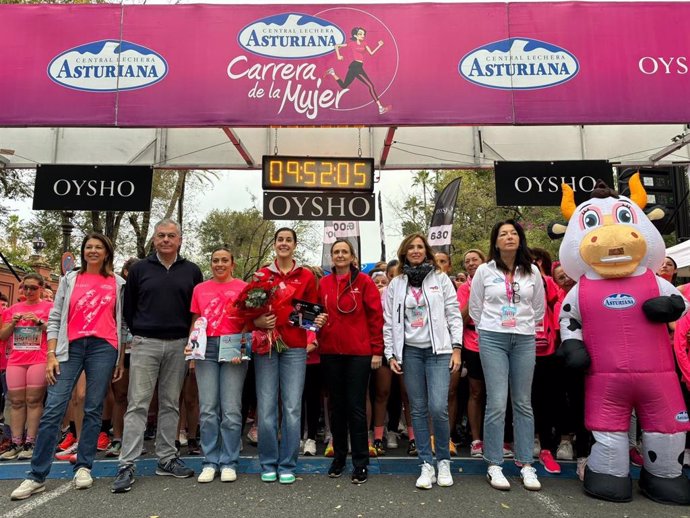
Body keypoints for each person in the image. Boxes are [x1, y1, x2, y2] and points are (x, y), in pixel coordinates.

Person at [10, 233, 125, 500]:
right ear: (83, 251)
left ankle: (84, 466)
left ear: (107, 252)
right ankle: (36, 475)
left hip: (103, 347)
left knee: (93, 407)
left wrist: (119, 358)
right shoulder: (69, 279)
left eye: (98, 247)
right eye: (88, 247)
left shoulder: (118, 283)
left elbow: (121, 322)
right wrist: (51, 353)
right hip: (69, 347)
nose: (93, 251)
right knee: (54, 408)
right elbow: (55, 317)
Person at [111, 219, 202, 493]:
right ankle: (127, 464)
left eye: (171, 236)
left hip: (178, 345)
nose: (165, 240)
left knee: (170, 404)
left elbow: (196, 310)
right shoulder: (139, 269)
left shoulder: (192, 271)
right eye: (161, 235)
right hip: (145, 343)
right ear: (154, 240)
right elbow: (128, 309)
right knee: (138, 404)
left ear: (179, 240)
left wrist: (191, 344)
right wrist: (139, 335)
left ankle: (166, 458)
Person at [469, 219, 545, 491]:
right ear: (496, 241)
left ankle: (526, 464)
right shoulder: (484, 271)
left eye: (514, 233)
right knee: (497, 401)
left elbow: (538, 308)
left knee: (523, 402)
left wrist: (521, 324)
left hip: (524, 337)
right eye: (503, 234)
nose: (509, 237)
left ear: (520, 239)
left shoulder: (532, 271)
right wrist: (493, 326)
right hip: (492, 337)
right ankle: (494, 463)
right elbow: (475, 307)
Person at [384, 234, 463, 489]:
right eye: (411, 248)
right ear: (404, 253)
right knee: (416, 409)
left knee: (438, 407)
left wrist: (456, 348)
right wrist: (391, 353)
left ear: (426, 251)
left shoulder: (440, 279)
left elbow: (453, 313)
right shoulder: (396, 284)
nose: (416, 251)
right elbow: (389, 322)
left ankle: (444, 461)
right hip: (410, 353)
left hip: (438, 351)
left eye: (420, 247)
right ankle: (426, 464)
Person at [252, 228, 317, 485]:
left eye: (289, 240)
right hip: (266, 347)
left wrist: (312, 322)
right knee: (267, 408)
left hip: (295, 347)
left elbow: (312, 315)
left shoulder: (307, 276)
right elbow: (247, 312)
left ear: (295, 245)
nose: (284, 244)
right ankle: (268, 462)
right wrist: (257, 320)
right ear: (274, 244)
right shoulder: (261, 275)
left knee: (291, 408)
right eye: (280, 240)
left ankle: (288, 463)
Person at [317, 240, 383, 484]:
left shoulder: (364, 282)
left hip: (359, 353)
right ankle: (339, 457)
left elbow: (376, 317)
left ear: (353, 256)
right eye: (336, 252)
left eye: (345, 251)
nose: (340, 255)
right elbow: (315, 314)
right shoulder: (323, 282)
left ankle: (360, 462)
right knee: (336, 407)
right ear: (331, 257)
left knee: (356, 407)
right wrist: (317, 325)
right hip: (331, 351)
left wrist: (377, 350)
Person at [185, 247, 248, 483]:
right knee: (208, 408)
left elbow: (247, 320)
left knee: (231, 409)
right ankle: (210, 461)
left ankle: (229, 461)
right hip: (206, 348)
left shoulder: (242, 287)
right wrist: (192, 349)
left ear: (233, 264)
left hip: (232, 345)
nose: (219, 264)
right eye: (215, 261)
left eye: (224, 260)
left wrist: (241, 347)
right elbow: (195, 320)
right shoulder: (200, 289)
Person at [0, 273, 53, 462]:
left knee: (33, 400)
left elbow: (55, 331)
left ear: (41, 288)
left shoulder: (49, 307)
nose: (29, 291)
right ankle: (16, 443)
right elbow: (3, 335)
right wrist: (13, 322)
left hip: (38, 358)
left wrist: (39, 322)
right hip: (16, 359)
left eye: (33, 288)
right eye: (25, 287)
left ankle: (30, 442)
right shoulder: (13, 309)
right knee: (15, 401)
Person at [106, 257, 139, 458]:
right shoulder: (119, 292)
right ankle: (117, 439)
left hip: (145, 350)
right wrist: (118, 355)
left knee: (140, 399)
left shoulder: (150, 291)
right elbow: (116, 323)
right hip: (122, 351)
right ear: (126, 272)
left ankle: (136, 439)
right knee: (120, 396)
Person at [457, 249, 487, 459]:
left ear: (484, 261)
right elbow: (460, 317)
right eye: (467, 262)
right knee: (475, 392)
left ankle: (498, 439)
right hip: (472, 342)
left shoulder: (497, 280)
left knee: (498, 393)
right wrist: (475, 291)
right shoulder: (463, 289)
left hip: (498, 341)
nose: (470, 264)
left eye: (474, 260)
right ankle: (476, 440)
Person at [325, 27, 390, 115]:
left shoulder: (364, 43)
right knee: (371, 86)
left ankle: (332, 73)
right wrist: (338, 55)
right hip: (355, 66)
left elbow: (371, 53)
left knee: (344, 86)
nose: (362, 35)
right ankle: (380, 108)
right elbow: (337, 46)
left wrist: (379, 45)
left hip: (357, 67)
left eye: (363, 34)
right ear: (355, 35)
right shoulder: (351, 43)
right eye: (360, 34)